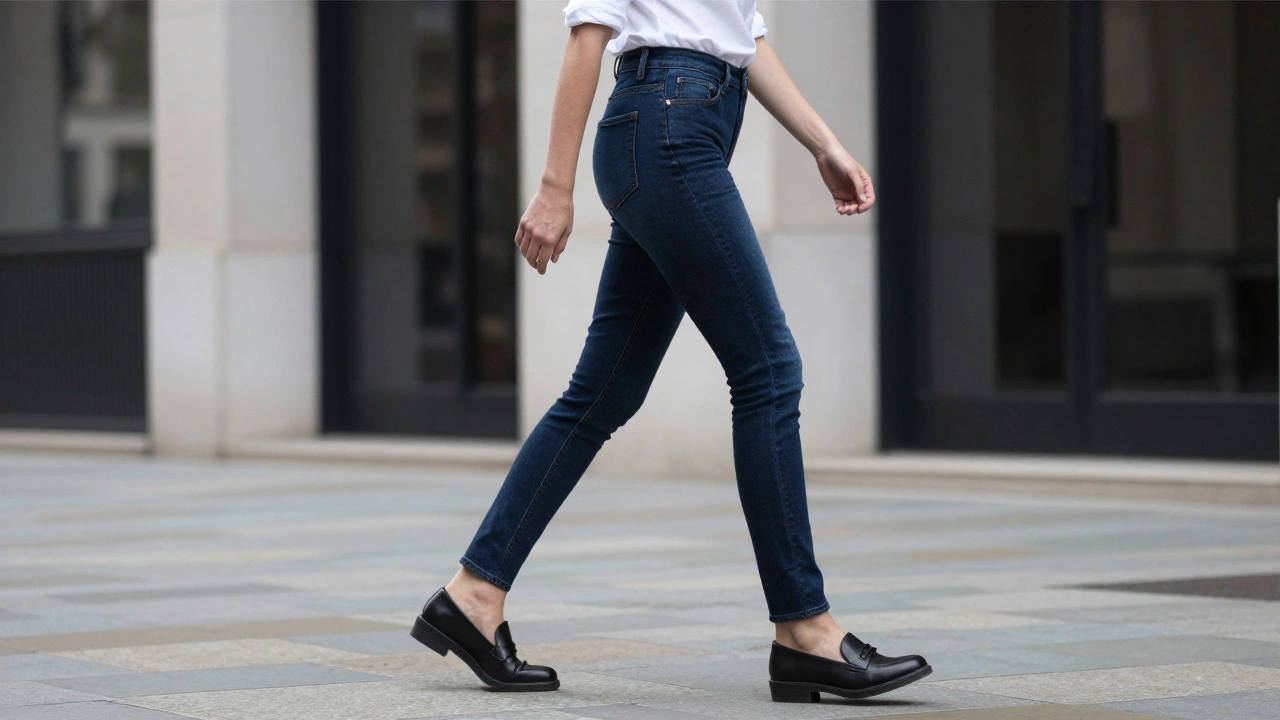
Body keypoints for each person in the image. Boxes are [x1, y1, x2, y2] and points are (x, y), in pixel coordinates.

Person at [410, 0, 930, 702]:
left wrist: (822, 142)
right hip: (667, 128)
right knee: (769, 373)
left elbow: (741, 37)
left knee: (604, 390)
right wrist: (554, 189)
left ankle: (473, 594)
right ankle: (806, 631)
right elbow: (588, 29)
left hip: (686, 126)